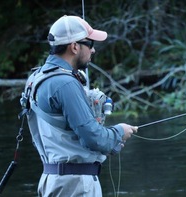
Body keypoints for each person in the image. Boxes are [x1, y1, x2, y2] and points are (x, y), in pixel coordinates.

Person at [23, 15, 138, 196]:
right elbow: (93, 137)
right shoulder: (65, 83)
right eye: (90, 44)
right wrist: (119, 132)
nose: (93, 51)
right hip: (75, 185)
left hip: (52, 180)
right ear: (74, 46)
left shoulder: (36, 78)